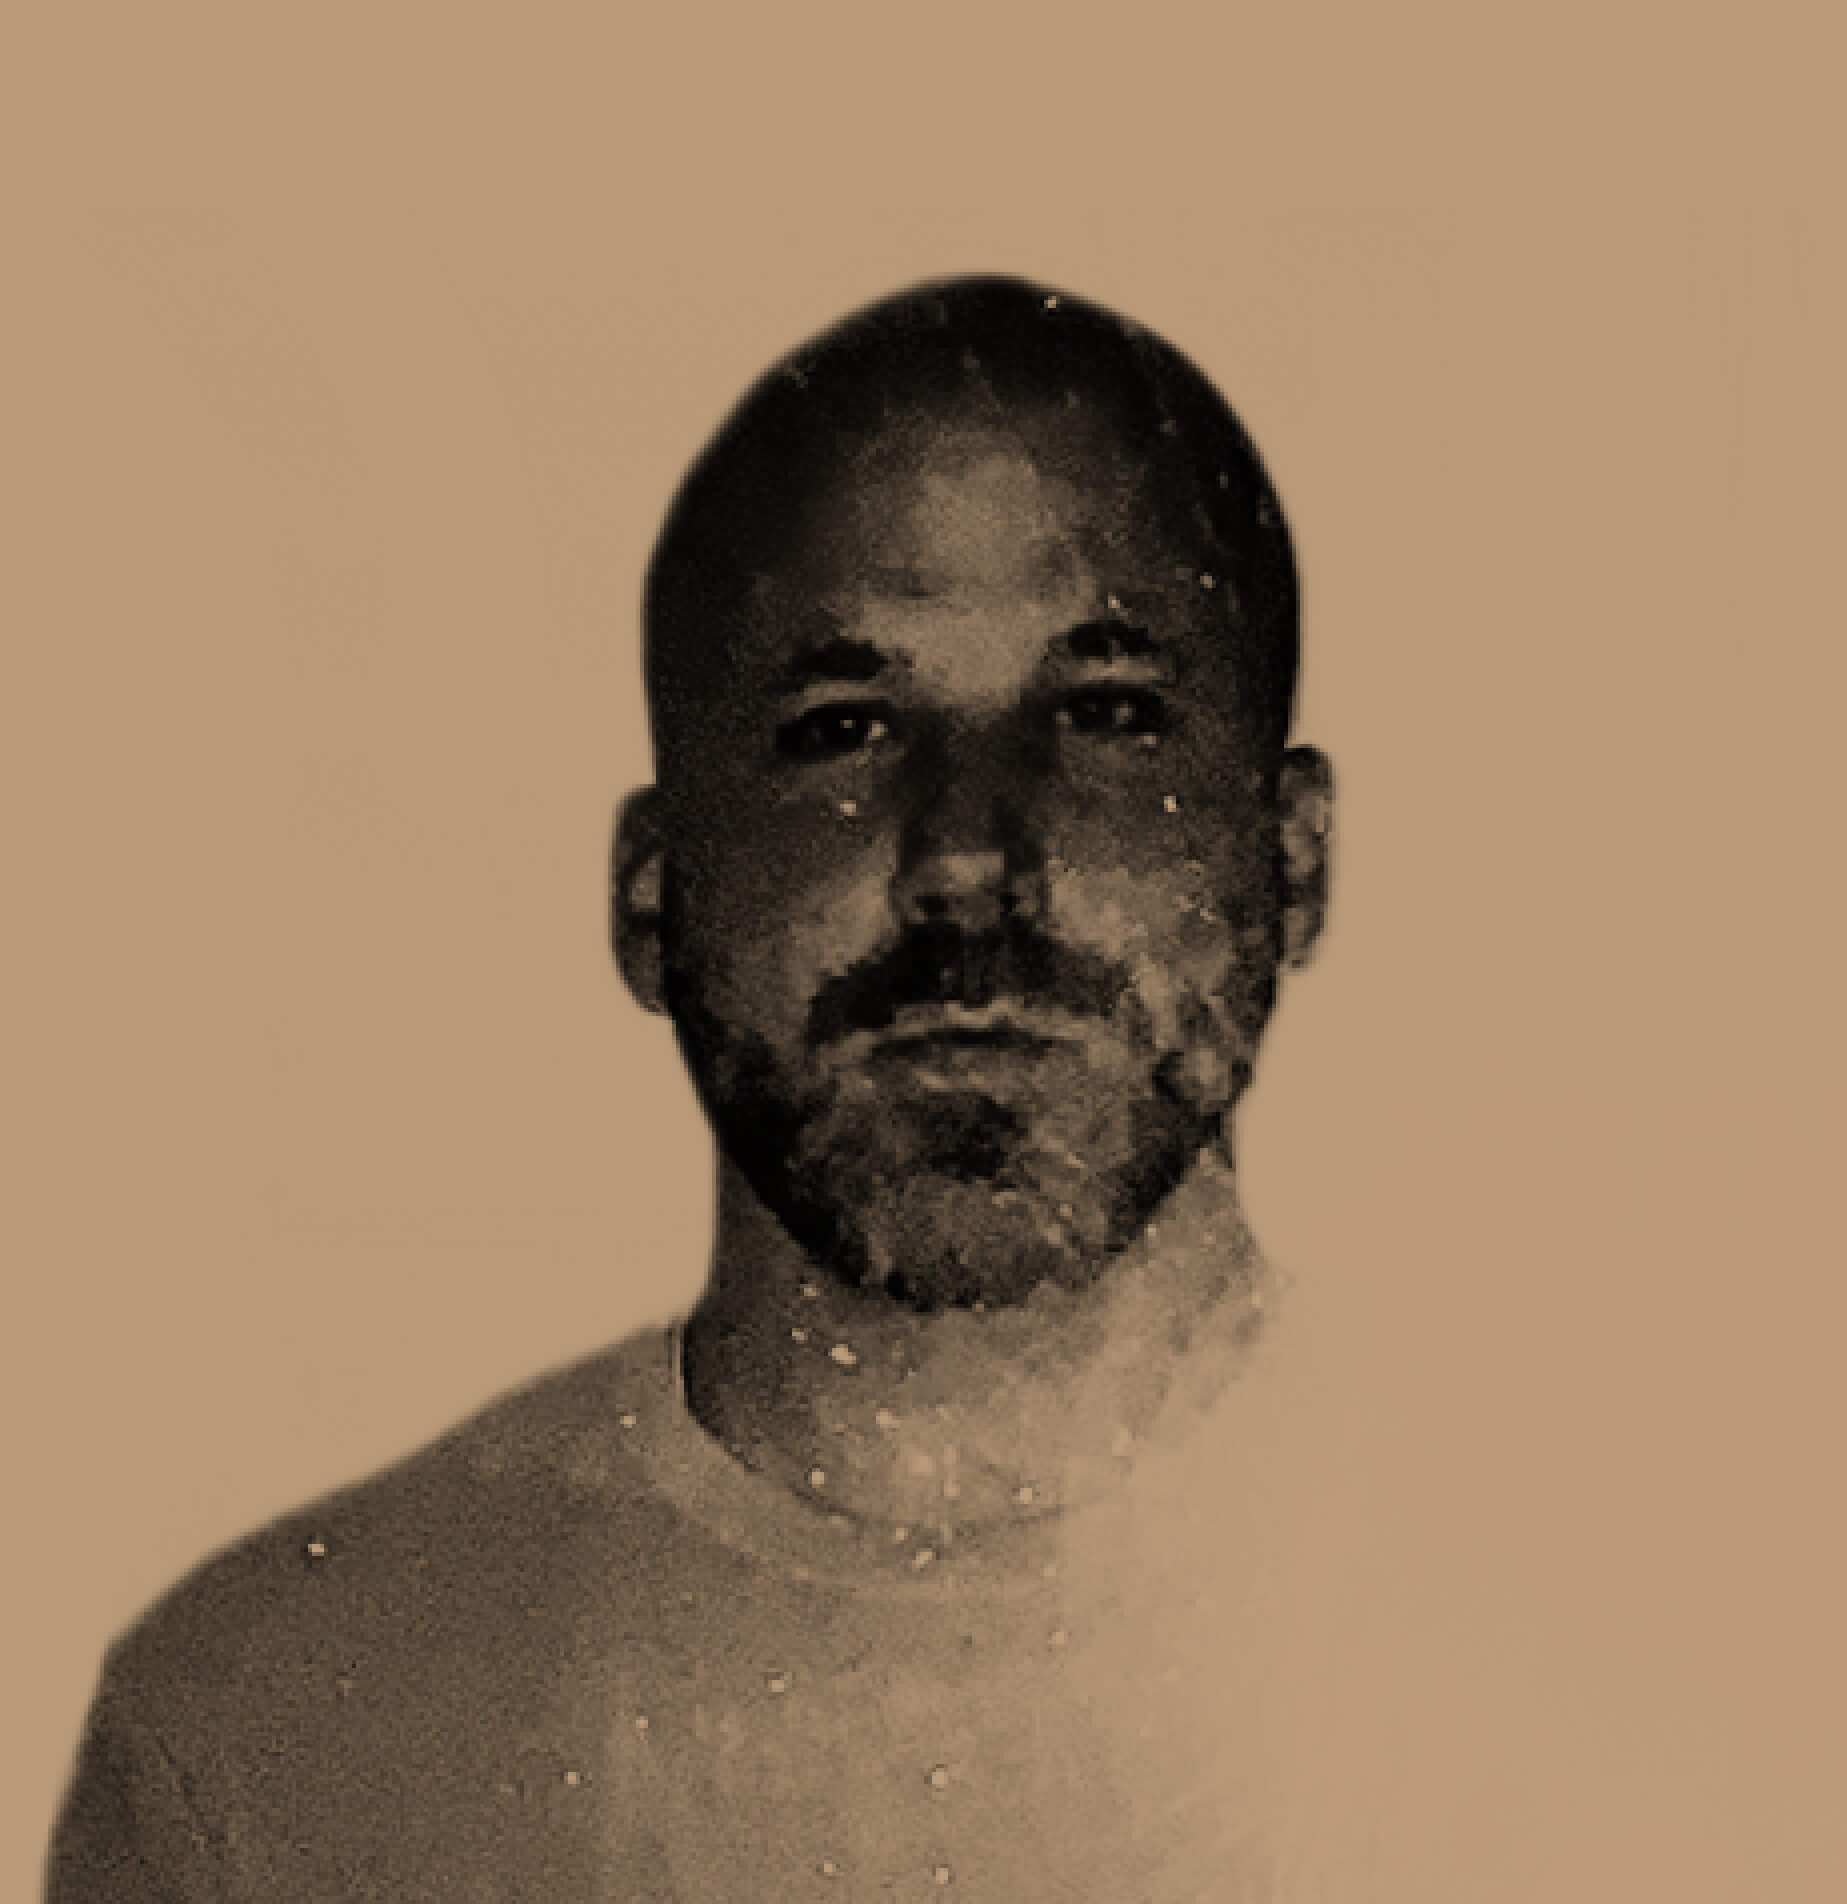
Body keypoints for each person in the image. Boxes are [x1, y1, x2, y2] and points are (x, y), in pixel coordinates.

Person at [47, 275, 1335, 1902]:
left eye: (1107, 715)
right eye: (845, 727)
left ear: (1293, 857)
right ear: (653, 896)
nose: (964, 857)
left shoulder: (1597, 1631)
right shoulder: (272, 1738)